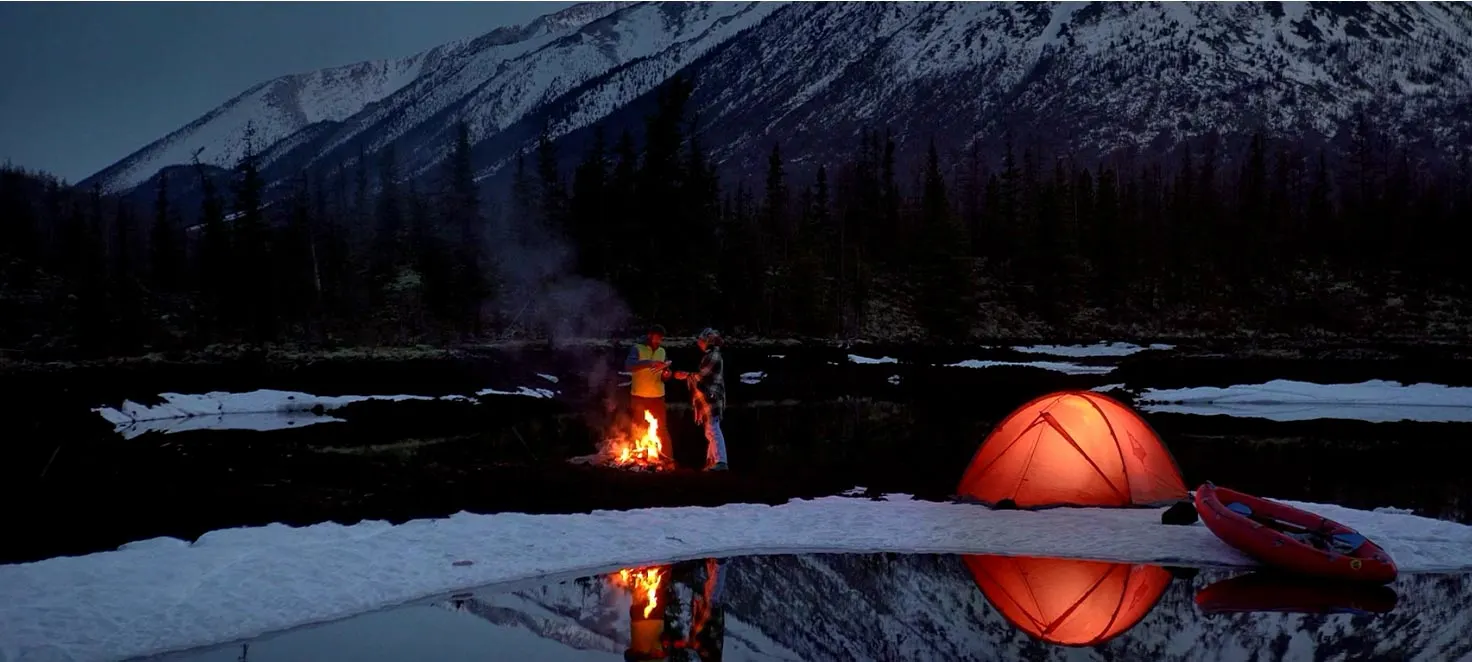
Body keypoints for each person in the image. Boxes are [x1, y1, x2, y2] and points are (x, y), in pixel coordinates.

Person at [675, 328, 728, 471]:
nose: (699, 343)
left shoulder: (713, 356)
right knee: (709, 431)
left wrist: (686, 375)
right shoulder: (710, 355)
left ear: (707, 341)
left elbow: (702, 376)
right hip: (709, 398)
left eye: (701, 340)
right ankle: (712, 461)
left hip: (711, 397)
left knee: (713, 429)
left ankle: (721, 461)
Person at [624, 324, 673, 458]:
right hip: (639, 396)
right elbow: (629, 366)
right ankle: (636, 459)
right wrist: (649, 363)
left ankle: (668, 459)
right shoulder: (637, 348)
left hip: (658, 396)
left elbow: (663, 375)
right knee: (638, 428)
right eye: (657, 337)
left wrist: (667, 374)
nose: (659, 341)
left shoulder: (662, 351)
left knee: (662, 429)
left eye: (661, 339)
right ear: (650, 335)